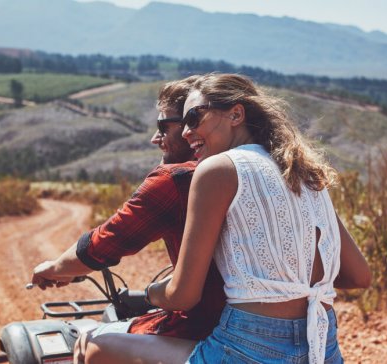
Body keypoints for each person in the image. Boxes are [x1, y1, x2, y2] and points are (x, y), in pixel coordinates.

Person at [81, 73, 371, 363]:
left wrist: (147, 295)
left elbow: (183, 296)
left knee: (96, 345)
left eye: (194, 118)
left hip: (247, 348)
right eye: (182, 124)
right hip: (323, 347)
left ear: (236, 114)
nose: (185, 132)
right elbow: (359, 275)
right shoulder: (303, 173)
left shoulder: (217, 170)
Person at [30, 76, 226, 358]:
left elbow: (104, 243)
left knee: (88, 344)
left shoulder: (175, 180)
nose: (154, 138)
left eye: (163, 126)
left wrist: (55, 268)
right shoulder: (256, 168)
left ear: (192, 125)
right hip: (279, 330)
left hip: (204, 327)